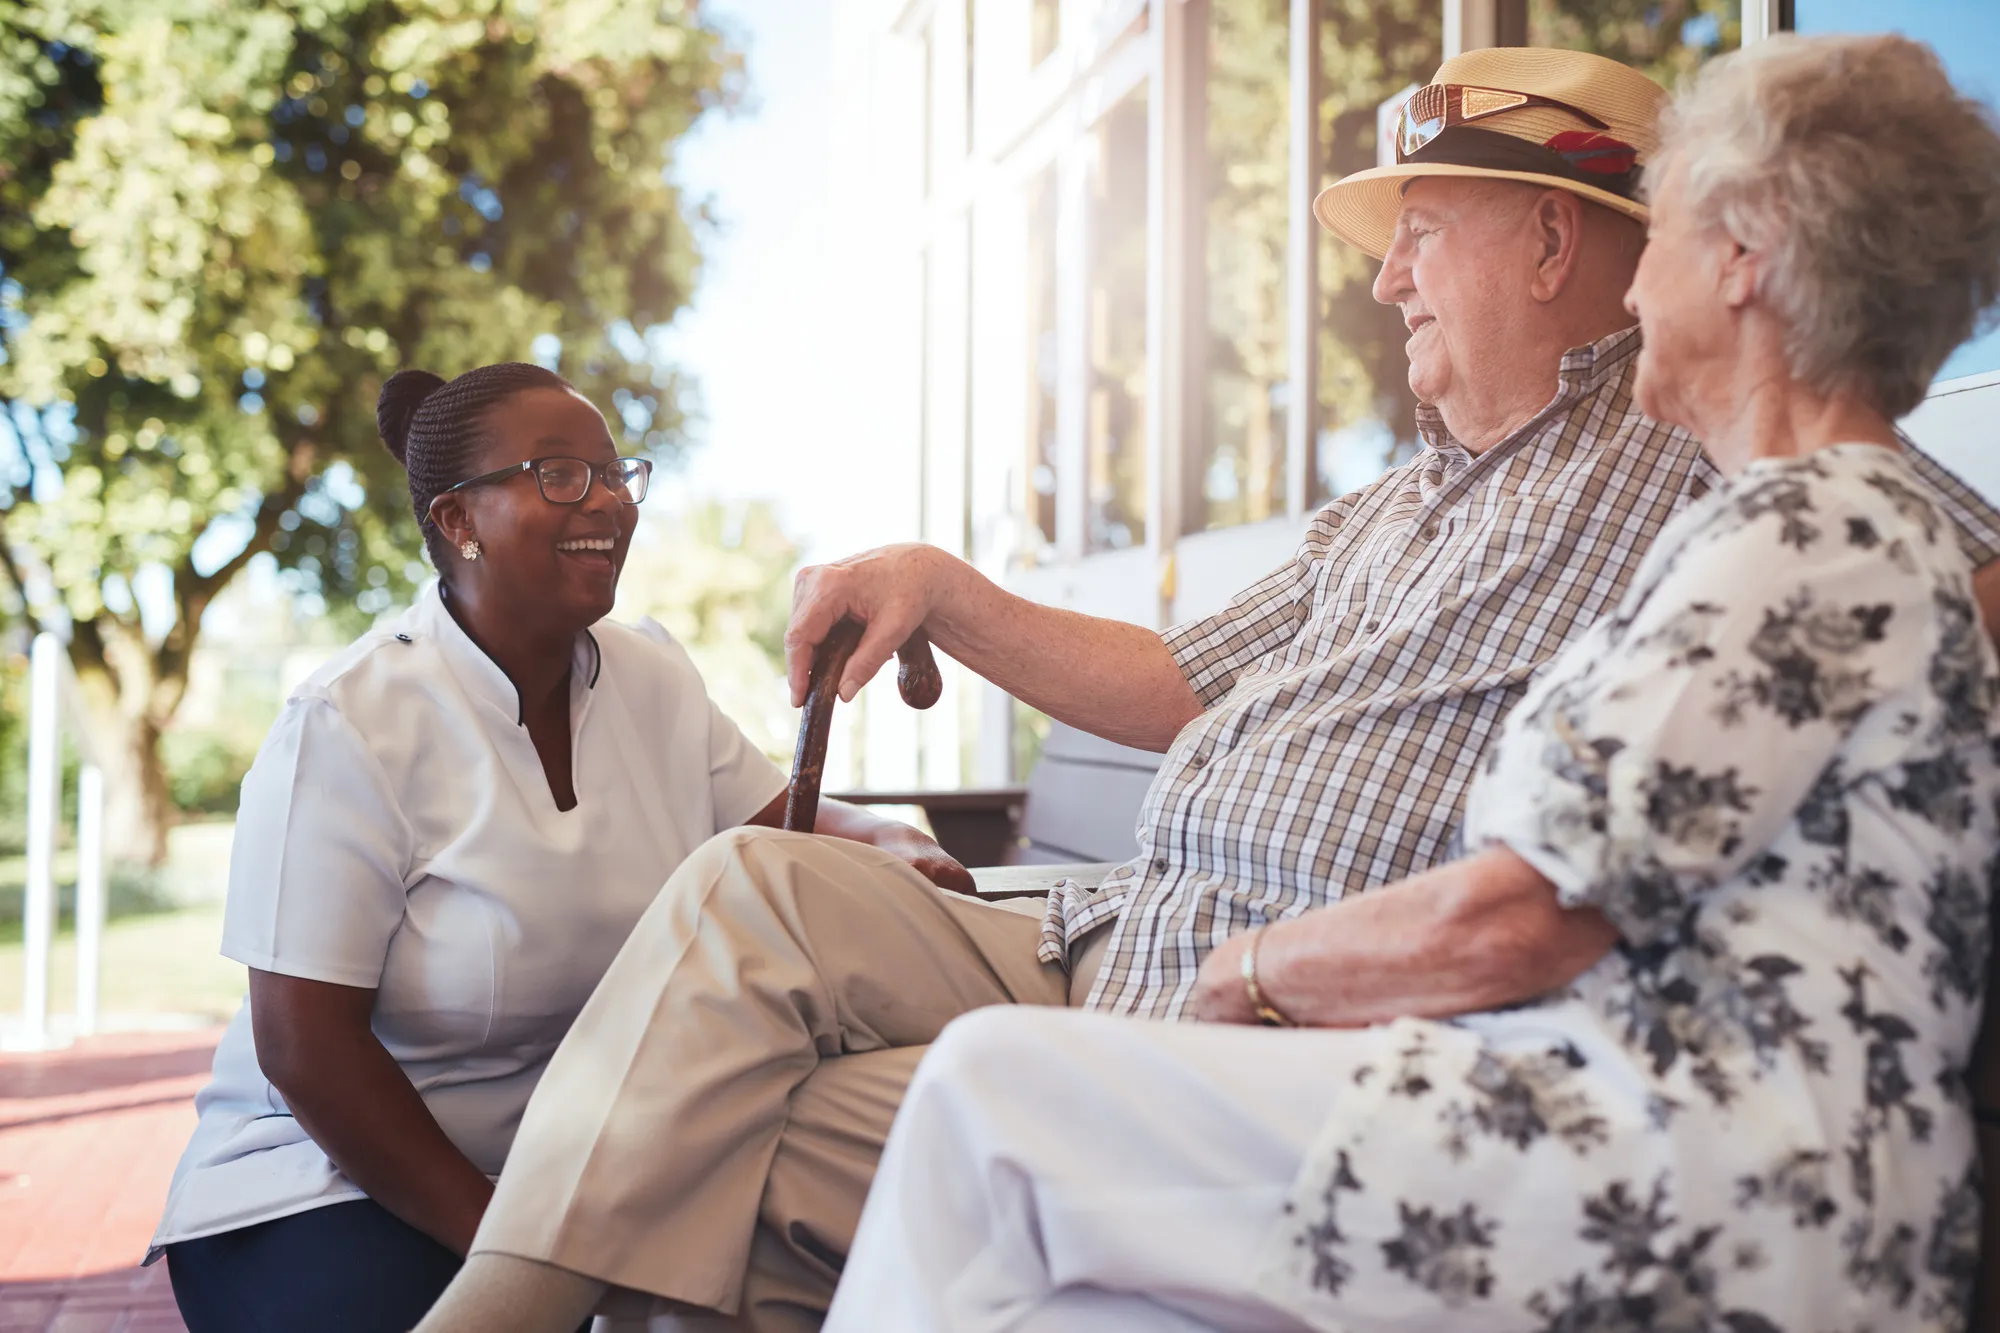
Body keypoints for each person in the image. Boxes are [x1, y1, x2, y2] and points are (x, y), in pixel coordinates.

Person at [417, 45, 2000, 1333]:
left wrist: (1273, 969)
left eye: (1419, 237)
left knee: (749, 1140)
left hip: (1323, 1024)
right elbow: (1186, 678)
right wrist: (948, 593)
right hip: (1130, 930)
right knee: (751, 892)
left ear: (1552, 238)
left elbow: (1890, 518)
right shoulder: (1400, 501)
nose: (1386, 289)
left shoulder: (1733, 474)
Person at [145, 362, 968, 1333]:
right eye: (563, 475)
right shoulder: (349, 724)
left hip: (574, 1174)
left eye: (618, 474)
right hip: (326, 1181)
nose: (610, 501)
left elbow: (770, 822)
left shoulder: (651, 674)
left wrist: (885, 838)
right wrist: (518, 1256)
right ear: (457, 522)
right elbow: (304, 1048)